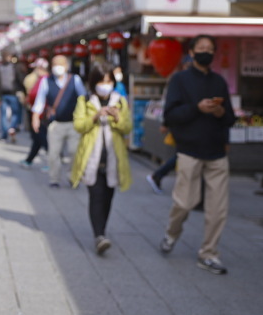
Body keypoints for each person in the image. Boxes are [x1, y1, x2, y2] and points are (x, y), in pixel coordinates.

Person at [159, 34, 235, 275]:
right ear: (191, 53)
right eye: (201, 48)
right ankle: (172, 234)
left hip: (216, 152)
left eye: (210, 49)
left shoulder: (220, 82)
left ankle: (209, 253)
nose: (206, 52)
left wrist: (220, 111)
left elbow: (230, 118)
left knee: (218, 209)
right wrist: (196, 108)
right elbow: (170, 115)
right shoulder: (179, 80)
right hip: (189, 150)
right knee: (184, 202)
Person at [71, 63, 132, 255]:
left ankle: (102, 232)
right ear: (93, 82)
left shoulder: (120, 101)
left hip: (113, 158)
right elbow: (79, 125)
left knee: (108, 197)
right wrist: (96, 116)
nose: (105, 85)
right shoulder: (84, 100)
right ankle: (99, 235)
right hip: (92, 158)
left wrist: (117, 118)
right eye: (101, 81)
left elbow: (127, 127)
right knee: (96, 196)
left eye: (108, 81)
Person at [31, 54, 87, 187]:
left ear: (67, 66)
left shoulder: (75, 79)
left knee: (74, 151)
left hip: (74, 123)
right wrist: (35, 118)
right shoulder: (46, 81)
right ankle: (54, 179)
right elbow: (39, 101)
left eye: (61, 64)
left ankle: (73, 177)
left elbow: (84, 98)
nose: (58, 67)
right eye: (55, 64)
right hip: (55, 124)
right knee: (53, 153)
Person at [146, 55, 193, 195]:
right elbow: (170, 103)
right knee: (183, 153)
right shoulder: (178, 80)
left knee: (184, 153)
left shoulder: (190, 80)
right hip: (180, 123)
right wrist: (166, 122)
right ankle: (158, 175)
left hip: (188, 123)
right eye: (188, 65)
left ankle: (160, 176)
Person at [20, 58, 49, 168]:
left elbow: (33, 95)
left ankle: (51, 162)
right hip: (42, 113)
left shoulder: (43, 79)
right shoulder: (46, 79)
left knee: (42, 138)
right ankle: (29, 160)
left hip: (41, 114)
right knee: (38, 138)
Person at [0, 51, 24, 143]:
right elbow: (20, 80)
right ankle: (12, 128)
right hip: (13, 93)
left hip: (2, 94)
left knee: (3, 115)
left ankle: (4, 134)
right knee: (15, 113)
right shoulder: (14, 67)